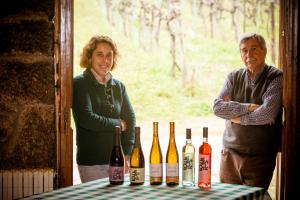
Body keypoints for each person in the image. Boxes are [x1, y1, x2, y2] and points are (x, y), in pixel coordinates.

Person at [213, 33, 282, 198]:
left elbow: (267, 114)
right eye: (244, 51)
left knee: (254, 198)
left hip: (260, 156)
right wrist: (249, 107)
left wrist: (237, 117)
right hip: (230, 154)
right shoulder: (233, 77)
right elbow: (218, 108)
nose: (249, 55)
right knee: (227, 197)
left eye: (254, 49)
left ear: (265, 51)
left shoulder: (276, 77)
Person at [72, 35, 136, 183]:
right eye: (99, 54)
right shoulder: (80, 84)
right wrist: (118, 124)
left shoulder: (119, 86)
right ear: (90, 57)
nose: (105, 60)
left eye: (109, 55)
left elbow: (130, 119)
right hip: (93, 162)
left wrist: (127, 153)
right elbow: (87, 119)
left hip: (118, 160)